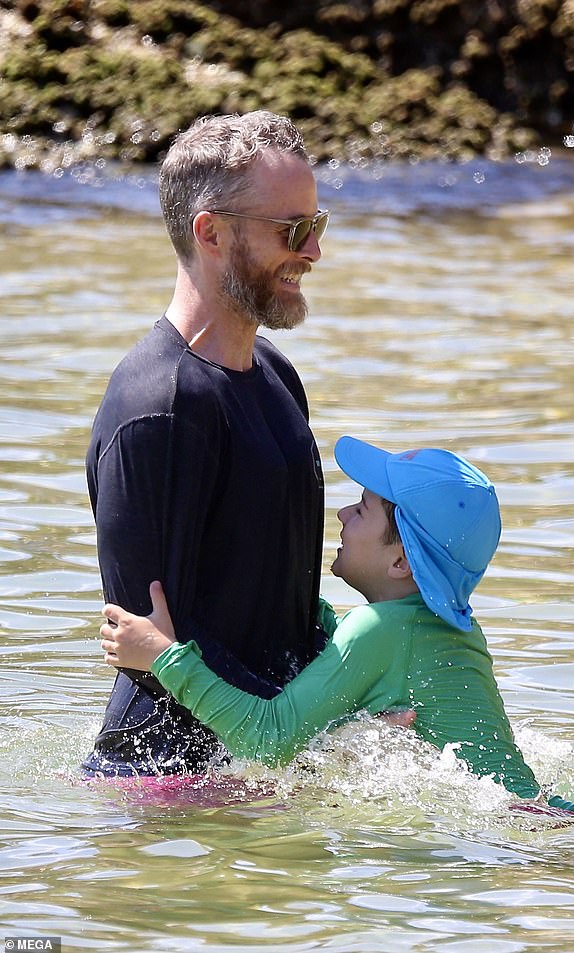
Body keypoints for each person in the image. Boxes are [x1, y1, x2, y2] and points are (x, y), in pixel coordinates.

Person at [102, 435, 574, 816]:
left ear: (401, 562)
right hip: (555, 816)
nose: (341, 517)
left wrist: (163, 657)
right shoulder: (440, 627)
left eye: (363, 510)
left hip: (512, 827)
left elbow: (267, 739)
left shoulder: (379, 631)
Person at [82, 111, 330, 777]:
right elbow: (158, 645)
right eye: (292, 231)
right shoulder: (158, 409)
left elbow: (287, 608)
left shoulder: (276, 374)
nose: (312, 252)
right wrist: (302, 735)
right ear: (210, 231)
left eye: (318, 225)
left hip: (268, 759)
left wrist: (345, 707)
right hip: (170, 788)